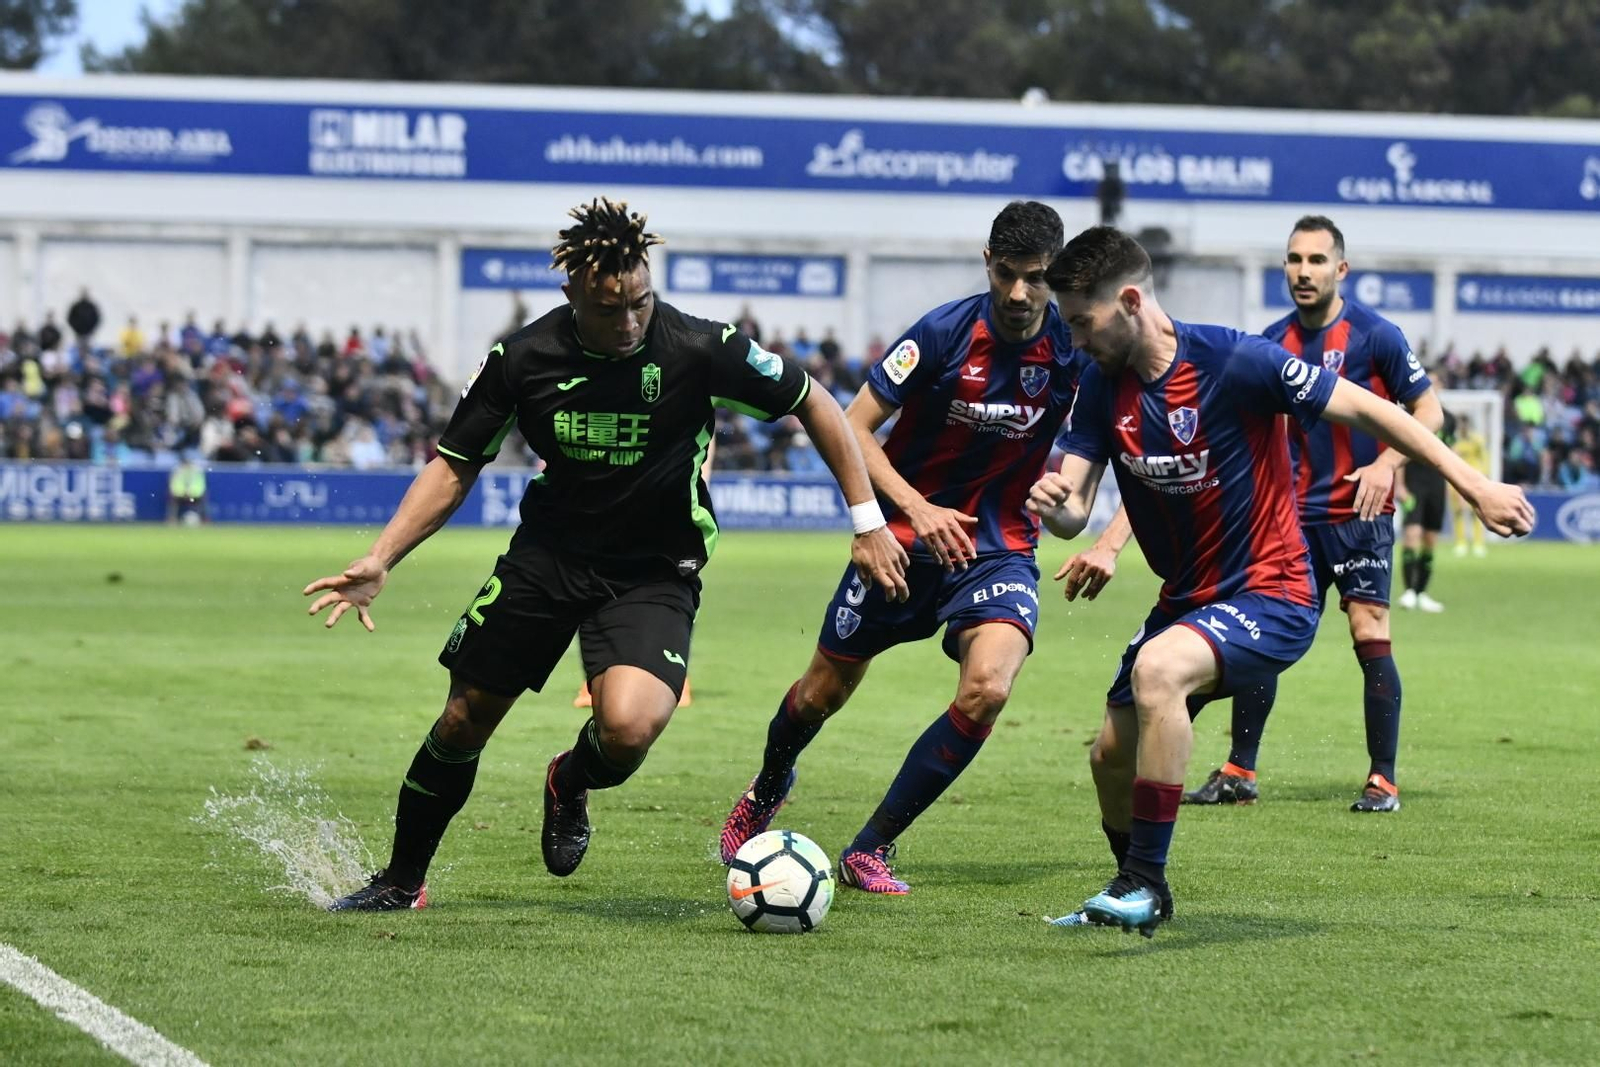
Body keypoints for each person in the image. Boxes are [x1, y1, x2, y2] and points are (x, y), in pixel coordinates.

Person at [306, 197, 908, 912]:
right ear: (572, 296)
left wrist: (867, 520)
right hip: (548, 558)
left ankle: (570, 778)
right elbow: (455, 462)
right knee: (463, 718)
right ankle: (401, 882)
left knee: (627, 730)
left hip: (655, 570)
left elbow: (815, 402)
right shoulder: (522, 358)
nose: (628, 323)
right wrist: (382, 556)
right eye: (607, 309)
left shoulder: (699, 346)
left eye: (639, 302)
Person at [1028, 227, 1531, 936]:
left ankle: (1146, 879)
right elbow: (1075, 507)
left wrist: (1474, 485)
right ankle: (1134, 879)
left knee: (1159, 669)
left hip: (1274, 591)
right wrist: (1059, 508)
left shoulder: (1237, 360)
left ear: (1131, 301)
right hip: (1188, 599)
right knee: (1109, 756)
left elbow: (1376, 409)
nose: (1074, 338)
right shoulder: (1099, 387)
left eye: (1081, 321)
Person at [717, 201, 1096, 894]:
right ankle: (770, 781)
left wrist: (1064, 506)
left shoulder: (1076, 351)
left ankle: (871, 847)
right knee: (817, 695)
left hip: (998, 549)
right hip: (898, 544)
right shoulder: (942, 334)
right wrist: (913, 509)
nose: (1018, 293)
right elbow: (854, 424)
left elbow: (1080, 490)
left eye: (1035, 278)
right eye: (1006, 274)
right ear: (988, 261)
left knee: (987, 688)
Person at [1184, 216, 1443, 814]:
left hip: (1360, 514)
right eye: (1295, 260)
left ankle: (1383, 781)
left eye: (1317, 261)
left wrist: (1387, 465)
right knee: (1260, 634)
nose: (1304, 271)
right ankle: (1238, 772)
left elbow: (1429, 412)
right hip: (1288, 520)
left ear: (1340, 270)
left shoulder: (1376, 335)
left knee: (1368, 632)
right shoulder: (1271, 342)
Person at [1396, 409, 1456, 612]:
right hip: (1414, 485)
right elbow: (1399, 449)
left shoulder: (1449, 419)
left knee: (1430, 540)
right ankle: (1409, 591)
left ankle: (1421, 592)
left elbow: (1450, 454)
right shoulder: (1410, 415)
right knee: (1412, 535)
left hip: (1437, 486)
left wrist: (1452, 484)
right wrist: (1400, 485)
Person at [1451, 412, 1491, 557]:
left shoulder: (1477, 440)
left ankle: (1478, 543)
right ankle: (1460, 543)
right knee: (1458, 512)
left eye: (1465, 423)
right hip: (1456, 479)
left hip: (1474, 479)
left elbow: (1484, 458)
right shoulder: (1453, 440)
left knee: (1477, 511)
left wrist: (1484, 475)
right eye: (1461, 424)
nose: (1463, 427)